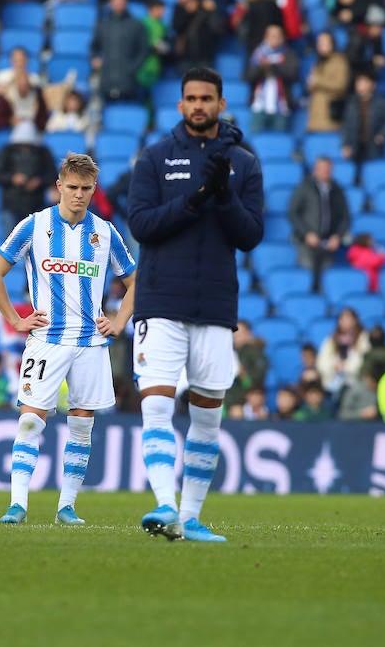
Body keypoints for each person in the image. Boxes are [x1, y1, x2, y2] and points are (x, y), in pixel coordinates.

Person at [127, 67, 264, 543]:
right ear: (181, 104)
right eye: (191, 98)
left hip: (215, 305)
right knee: (158, 406)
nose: (199, 105)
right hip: (161, 301)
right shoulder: (156, 157)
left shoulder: (243, 163)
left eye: (207, 97)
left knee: (207, 416)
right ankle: (165, 503)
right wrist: (196, 198)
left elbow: (250, 236)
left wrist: (223, 196)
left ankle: (191, 517)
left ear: (221, 103)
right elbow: (141, 225)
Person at [0, 153, 137, 525]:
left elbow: (136, 281)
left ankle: (66, 507)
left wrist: (118, 322)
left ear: (93, 189)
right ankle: (17, 504)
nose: (79, 195)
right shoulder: (34, 226)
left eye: (86, 188)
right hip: (47, 339)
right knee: (30, 421)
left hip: (89, 343)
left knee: (82, 424)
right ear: (59, 186)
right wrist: (15, 320)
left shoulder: (105, 232)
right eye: (72, 187)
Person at [289, 157, 350, 291]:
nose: (325, 172)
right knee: (306, 283)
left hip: (328, 245)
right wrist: (307, 233)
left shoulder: (337, 190)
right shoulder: (305, 187)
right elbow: (293, 213)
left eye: (328, 169)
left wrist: (337, 236)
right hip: (307, 245)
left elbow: (345, 217)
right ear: (315, 170)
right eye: (322, 169)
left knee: (326, 285)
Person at [0, 121, 56, 225]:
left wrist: (39, 181)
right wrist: (12, 178)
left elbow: (52, 175)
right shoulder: (7, 151)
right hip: (11, 203)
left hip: (36, 203)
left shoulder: (43, 152)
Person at [91, 0, 150, 103]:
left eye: (122, 1)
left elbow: (144, 50)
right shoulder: (103, 25)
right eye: (116, 0)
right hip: (106, 80)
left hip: (129, 81)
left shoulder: (136, 25)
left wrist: (132, 68)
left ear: (126, 3)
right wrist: (95, 58)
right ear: (111, 3)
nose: (119, 3)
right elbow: (94, 47)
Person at [244, 23, 298, 132]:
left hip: (281, 108)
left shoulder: (289, 54)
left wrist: (271, 66)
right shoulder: (257, 54)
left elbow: (292, 74)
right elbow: (249, 76)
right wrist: (262, 67)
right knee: (255, 143)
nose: (275, 38)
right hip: (259, 106)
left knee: (279, 143)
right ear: (265, 37)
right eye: (271, 35)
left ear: (283, 38)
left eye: (277, 35)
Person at [339, 74, 385, 164]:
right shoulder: (351, 102)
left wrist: (382, 135)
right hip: (355, 144)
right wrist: (346, 144)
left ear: (372, 85)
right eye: (358, 82)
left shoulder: (381, 102)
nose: (360, 85)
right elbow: (346, 125)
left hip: (373, 144)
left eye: (364, 82)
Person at [306, 31, 350, 132]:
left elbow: (341, 84)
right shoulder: (318, 62)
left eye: (324, 43)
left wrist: (317, 81)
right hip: (314, 116)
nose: (320, 46)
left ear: (332, 44)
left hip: (330, 116)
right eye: (319, 43)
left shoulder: (339, 61)